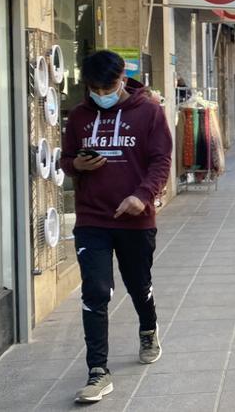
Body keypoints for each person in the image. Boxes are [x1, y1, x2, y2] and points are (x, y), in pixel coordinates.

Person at [58, 50, 172, 403]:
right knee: (96, 291)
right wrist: (76, 164)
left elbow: (161, 160)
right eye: (94, 87)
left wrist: (143, 195)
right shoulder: (79, 116)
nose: (101, 92)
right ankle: (97, 371)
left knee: (139, 284)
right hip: (92, 217)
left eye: (107, 85)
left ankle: (148, 328)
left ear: (123, 78)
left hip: (135, 219)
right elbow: (65, 159)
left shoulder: (149, 111)